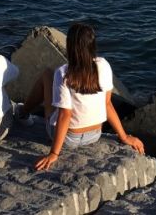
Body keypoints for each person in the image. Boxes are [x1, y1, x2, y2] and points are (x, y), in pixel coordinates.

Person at [20, 23, 144, 170]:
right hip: (95, 134)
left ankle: (22, 114)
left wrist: (54, 153)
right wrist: (124, 137)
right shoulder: (103, 65)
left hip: (69, 139)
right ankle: (24, 113)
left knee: (47, 75)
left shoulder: (64, 72)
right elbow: (107, 104)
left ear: (70, 47)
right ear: (92, 45)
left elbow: (65, 115)